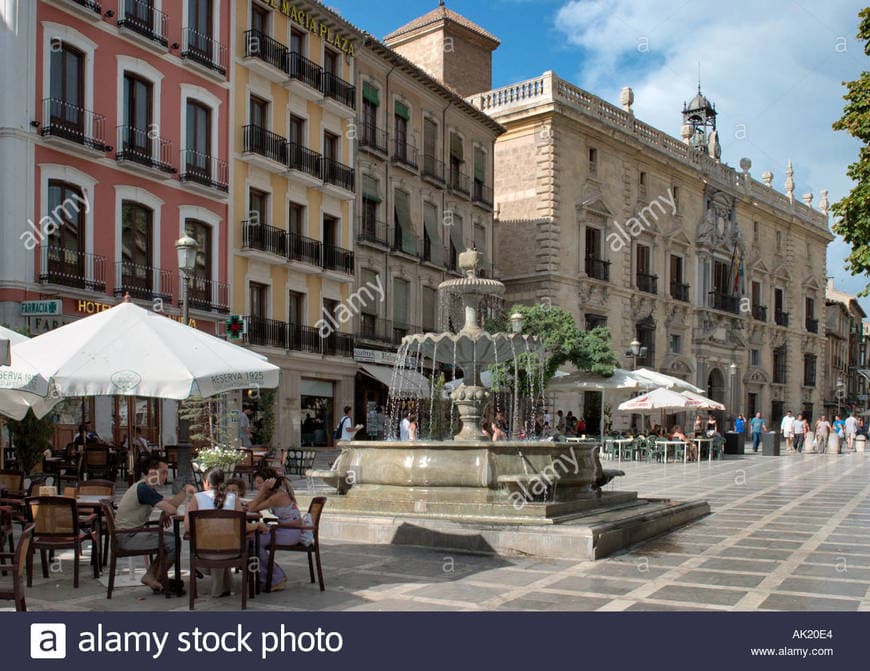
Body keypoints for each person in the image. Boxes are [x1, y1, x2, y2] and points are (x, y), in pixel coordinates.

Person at [114, 457, 196, 593]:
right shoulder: (144, 489)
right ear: (152, 473)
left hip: (129, 534)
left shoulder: (145, 487)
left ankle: (153, 576)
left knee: (171, 539)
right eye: (163, 472)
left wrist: (183, 491)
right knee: (173, 542)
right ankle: (156, 578)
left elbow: (170, 504)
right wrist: (165, 512)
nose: (165, 476)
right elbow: (172, 509)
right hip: (127, 537)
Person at [184, 468, 262, 598]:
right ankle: (224, 586)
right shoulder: (233, 498)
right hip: (232, 551)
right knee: (226, 540)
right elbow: (244, 527)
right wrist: (258, 525)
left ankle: (220, 587)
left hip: (204, 551)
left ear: (205, 483)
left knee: (211, 541)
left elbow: (187, 528)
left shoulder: (197, 499)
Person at [246, 471, 303, 592]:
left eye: (260, 483)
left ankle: (276, 577)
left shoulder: (278, 496)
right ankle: (268, 577)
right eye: (255, 482)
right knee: (252, 538)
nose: (257, 486)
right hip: (283, 529)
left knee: (254, 542)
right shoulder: (274, 494)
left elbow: (252, 508)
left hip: (290, 533)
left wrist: (263, 490)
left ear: (270, 483)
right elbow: (252, 505)